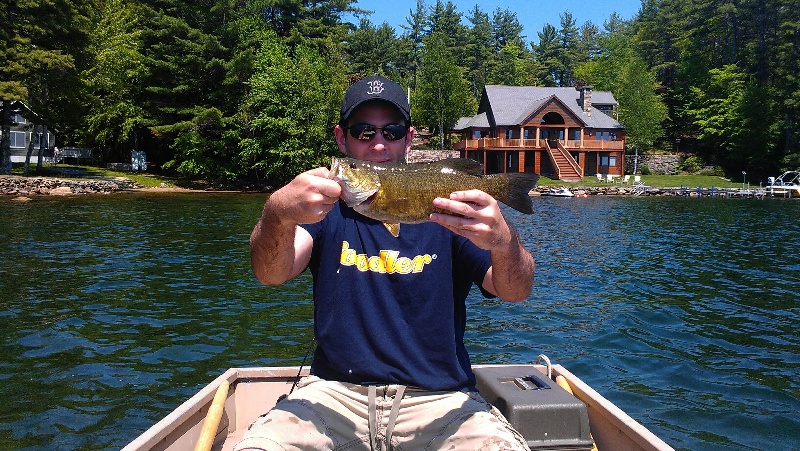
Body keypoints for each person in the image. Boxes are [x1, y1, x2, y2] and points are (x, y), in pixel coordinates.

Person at [239, 75, 535, 451]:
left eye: (391, 131)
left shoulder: (456, 216)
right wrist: (277, 214)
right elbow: (270, 274)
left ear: (408, 138)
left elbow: (515, 291)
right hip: (333, 396)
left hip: (441, 399)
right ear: (341, 138)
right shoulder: (323, 210)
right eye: (363, 131)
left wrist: (503, 241)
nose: (378, 143)